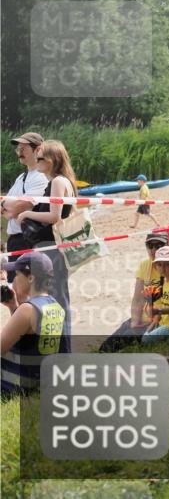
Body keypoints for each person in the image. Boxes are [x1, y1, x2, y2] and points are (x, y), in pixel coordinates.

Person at [16, 140, 77, 340]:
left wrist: (26, 215)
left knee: (57, 298)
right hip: (50, 248)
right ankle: (57, 345)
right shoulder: (58, 181)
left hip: (52, 248)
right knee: (54, 297)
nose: (37, 160)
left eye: (41, 157)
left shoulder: (58, 182)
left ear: (52, 159)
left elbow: (54, 216)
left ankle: (63, 347)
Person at [1, 252, 65, 397]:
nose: (14, 280)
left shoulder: (27, 310)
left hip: (11, 385)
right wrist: (13, 307)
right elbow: (29, 341)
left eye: (17, 275)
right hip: (34, 381)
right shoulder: (56, 307)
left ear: (31, 278)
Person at [131, 231, 169, 334]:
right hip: (146, 319)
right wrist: (134, 322)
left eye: (159, 245)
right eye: (150, 245)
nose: (154, 249)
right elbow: (137, 299)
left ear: (168, 245)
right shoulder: (144, 265)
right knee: (113, 341)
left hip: (165, 321)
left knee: (137, 340)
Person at [2, 132, 48, 253]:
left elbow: (19, 206)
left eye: (23, 149)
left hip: (29, 240)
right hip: (14, 240)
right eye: (18, 149)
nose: (19, 152)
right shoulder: (21, 177)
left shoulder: (42, 177)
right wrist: (7, 208)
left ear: (37, 150)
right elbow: (6, 207)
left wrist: (7, 208)